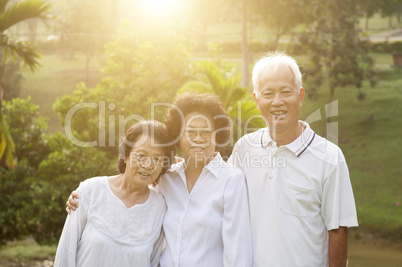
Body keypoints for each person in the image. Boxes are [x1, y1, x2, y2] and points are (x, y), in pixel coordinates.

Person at [66, 93, 253, 266]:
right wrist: (86, 192)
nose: (198, 138)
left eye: (206, 132)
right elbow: (132, 185)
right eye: (190, 132)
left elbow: (238, 252)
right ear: (178, 137)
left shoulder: (231, 180)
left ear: (217, 136)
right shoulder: (166, 178)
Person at [228, 51, 358, 266]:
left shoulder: (329, 156)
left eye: (285, 92)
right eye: (268, 93)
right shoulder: (244, 149)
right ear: (256, 99)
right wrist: (173, 170)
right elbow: (217, 190)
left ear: (300, 95)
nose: (277, 101)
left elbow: (338, 230)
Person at [55, 121, 174, 267]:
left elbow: (153, 262)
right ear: (125, 155)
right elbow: (65, 255)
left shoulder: (160, 207)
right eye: (141, 155)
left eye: (157, 158)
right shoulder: (90, 191)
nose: (149, 165)